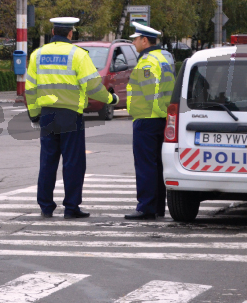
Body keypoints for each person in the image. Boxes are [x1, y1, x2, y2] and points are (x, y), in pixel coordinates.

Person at [25, 17, 119, 219]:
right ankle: (71, 207)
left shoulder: (37, 55)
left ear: (52, 32)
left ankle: (46, 206)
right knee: (73, 163)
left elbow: (30, 89)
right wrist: (111, 98)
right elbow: (93, 86)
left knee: (48, 162)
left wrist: (34, 115)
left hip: (47, 115)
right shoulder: (78, 55)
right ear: (70, 33)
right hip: (70, 115)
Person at [124, 22, 176, 220]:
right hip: (162, 119)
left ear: (144, 40)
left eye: (135, 39)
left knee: (145, 165)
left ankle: (146, 207)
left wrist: (154, 112)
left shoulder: (147, 61)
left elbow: (149, 91)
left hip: (147, 119)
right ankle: (157, 207)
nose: (133, 42)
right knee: (158, 165)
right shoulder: (164, 57)